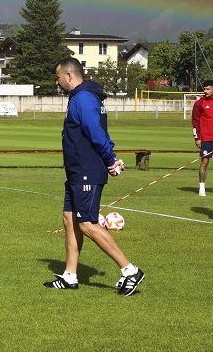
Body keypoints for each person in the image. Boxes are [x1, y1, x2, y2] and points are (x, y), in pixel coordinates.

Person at [44, 57, 144, 295]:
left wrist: (110, 159)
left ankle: (130, 270)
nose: (57, 83)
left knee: (87, 223)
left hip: (87, 171)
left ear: (69, 76)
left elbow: (96, 133)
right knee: (69, 219)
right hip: (78, 171)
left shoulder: (83, 98)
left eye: (58, 77)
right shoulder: (82, 97)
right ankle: (70, 276)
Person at [191, 80, 213, 196]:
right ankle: (202, 186)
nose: (205, 91)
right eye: (204, 89)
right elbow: (195, 122)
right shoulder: (199, 103)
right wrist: (197, 138)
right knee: (204, 162)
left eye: (208, 89)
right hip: (206, 138)